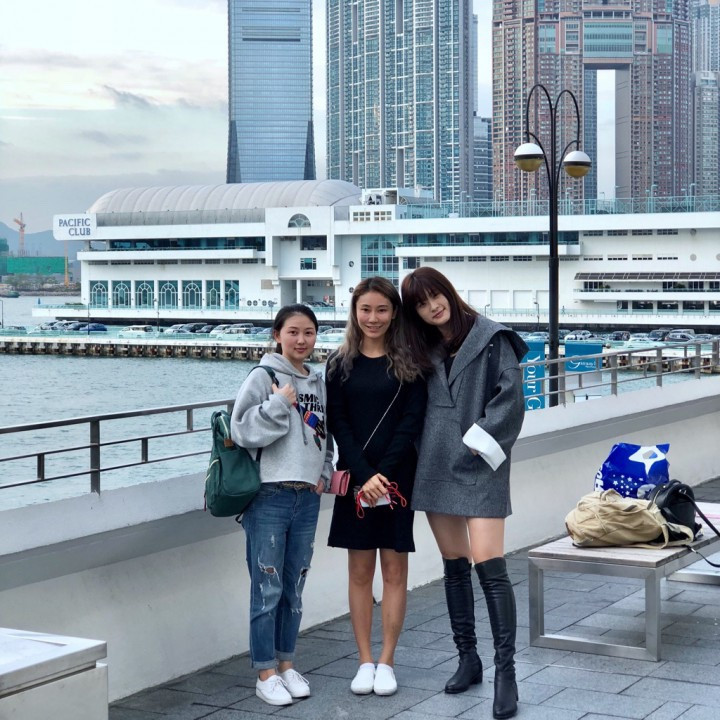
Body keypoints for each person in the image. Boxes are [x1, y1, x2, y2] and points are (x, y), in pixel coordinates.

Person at [401, 267, 527, 720]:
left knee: (490, 567)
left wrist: (477, 441)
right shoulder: (421, 347)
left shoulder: (493, 338)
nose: (432, 307)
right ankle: (467, 659)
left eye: (435, 295)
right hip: (435, 464)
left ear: (448, 292)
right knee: (454, 566)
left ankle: (506, 673)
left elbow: (511, 399)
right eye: (420, 303)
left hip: (481, 464)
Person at [326, 277, 426, 697]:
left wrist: (381, 474)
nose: (373, 317)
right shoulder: (339, 364)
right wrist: (365, 475)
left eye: (382, 309)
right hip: (356, 480)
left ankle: (387, 661)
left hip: (398, 478)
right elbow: (338, 423)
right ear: (354, 312)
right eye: (365, 309)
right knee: (360, 571)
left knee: (395, 571)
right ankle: (364, 660)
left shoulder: (412, 363)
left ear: (394, 313)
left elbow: (411, 422)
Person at [230, 304, 333, 707]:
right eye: (293, 332)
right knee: (267, 587)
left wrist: (324, 471)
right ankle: (265, 672)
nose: (301, 340)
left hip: (307, 497)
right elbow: (240, 429)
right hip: (270, 496)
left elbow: (324, 436)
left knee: (294, 587)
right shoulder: (263, 375)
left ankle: (287, 664)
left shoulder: (318, 382)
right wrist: (278, 404)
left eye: (308, 332)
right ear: (277, 335)